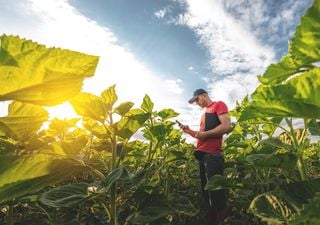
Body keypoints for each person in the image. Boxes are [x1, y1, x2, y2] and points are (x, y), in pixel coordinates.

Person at [179, 88, 231, 225]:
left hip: (212, 155)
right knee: (206, 189)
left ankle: (222, 220)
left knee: (216, 191)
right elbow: (200, 135)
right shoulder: (204, 115)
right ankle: (212, 218)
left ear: (204, 95)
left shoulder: (218, 105)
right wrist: (188, 131)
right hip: (203, 155)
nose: (197, 103)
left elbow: (226, 126)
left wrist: (205, 135)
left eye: (197, 99)